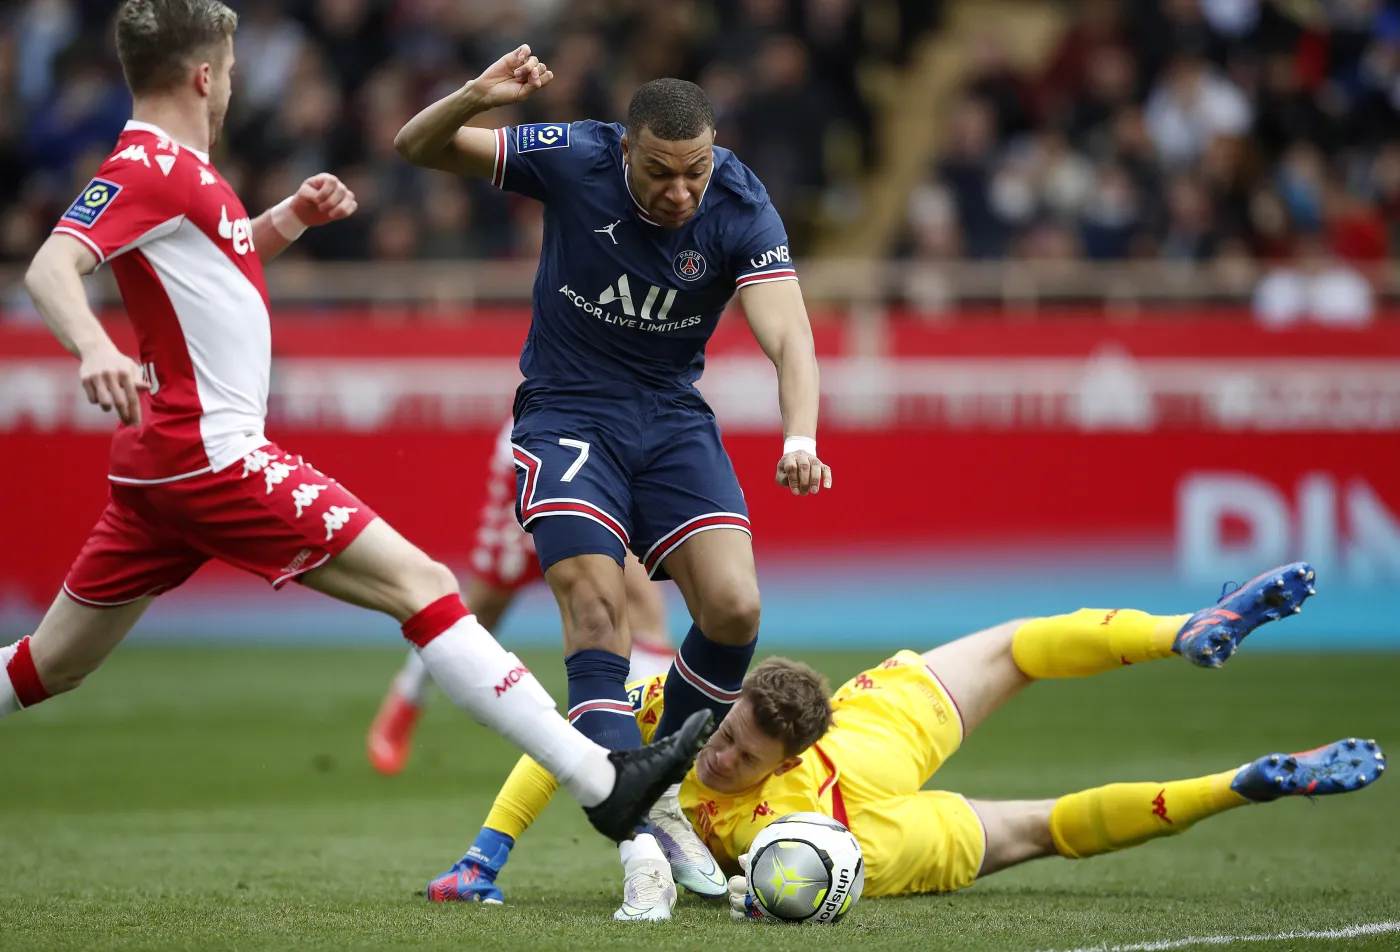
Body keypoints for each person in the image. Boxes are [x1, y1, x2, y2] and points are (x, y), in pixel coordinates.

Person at [3, 0, 710, 850]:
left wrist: (287, 220)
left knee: (53, 665)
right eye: (227, 72)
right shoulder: (148, 166)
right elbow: (52, 263)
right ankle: (605, 782)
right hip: (212, 454)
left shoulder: (187, 173)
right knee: (426, 587)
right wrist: (91, 347)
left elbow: (212, 275)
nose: (231, 85)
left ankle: (604, 780)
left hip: (164, 467)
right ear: (202, 76)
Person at [395, 45, 832, 916]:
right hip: (568, 411)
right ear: (624, 150)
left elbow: (790, 334)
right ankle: (638, 844)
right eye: (662, 174)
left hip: (671, 418)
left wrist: (800, 433)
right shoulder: (575, 155)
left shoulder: (740, 201)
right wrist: (475, 97)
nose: (682, 193)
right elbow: (418, 146)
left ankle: (652, 791)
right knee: (595, 606)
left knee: (736, 609)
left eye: (695, 172)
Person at [425, 562, 1384, 917]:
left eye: (737, 754)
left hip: (856, 810)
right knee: (1032, 741)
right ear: (737, 697)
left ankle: (1187, 633)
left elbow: (580, 767)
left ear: (785, 757)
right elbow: (555, 741)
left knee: (1037, 753)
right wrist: (487, 853)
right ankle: (1240, 770)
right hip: (870, 785)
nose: (715, 752)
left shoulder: (761, 812)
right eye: (722, 735)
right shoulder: (699, 704)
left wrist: (708, 875)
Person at [369, 419, 676, 776]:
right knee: (481, 612)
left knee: (637, 602)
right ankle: (408, 696)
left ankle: (659, 742)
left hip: (608, 456)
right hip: (537, 457)